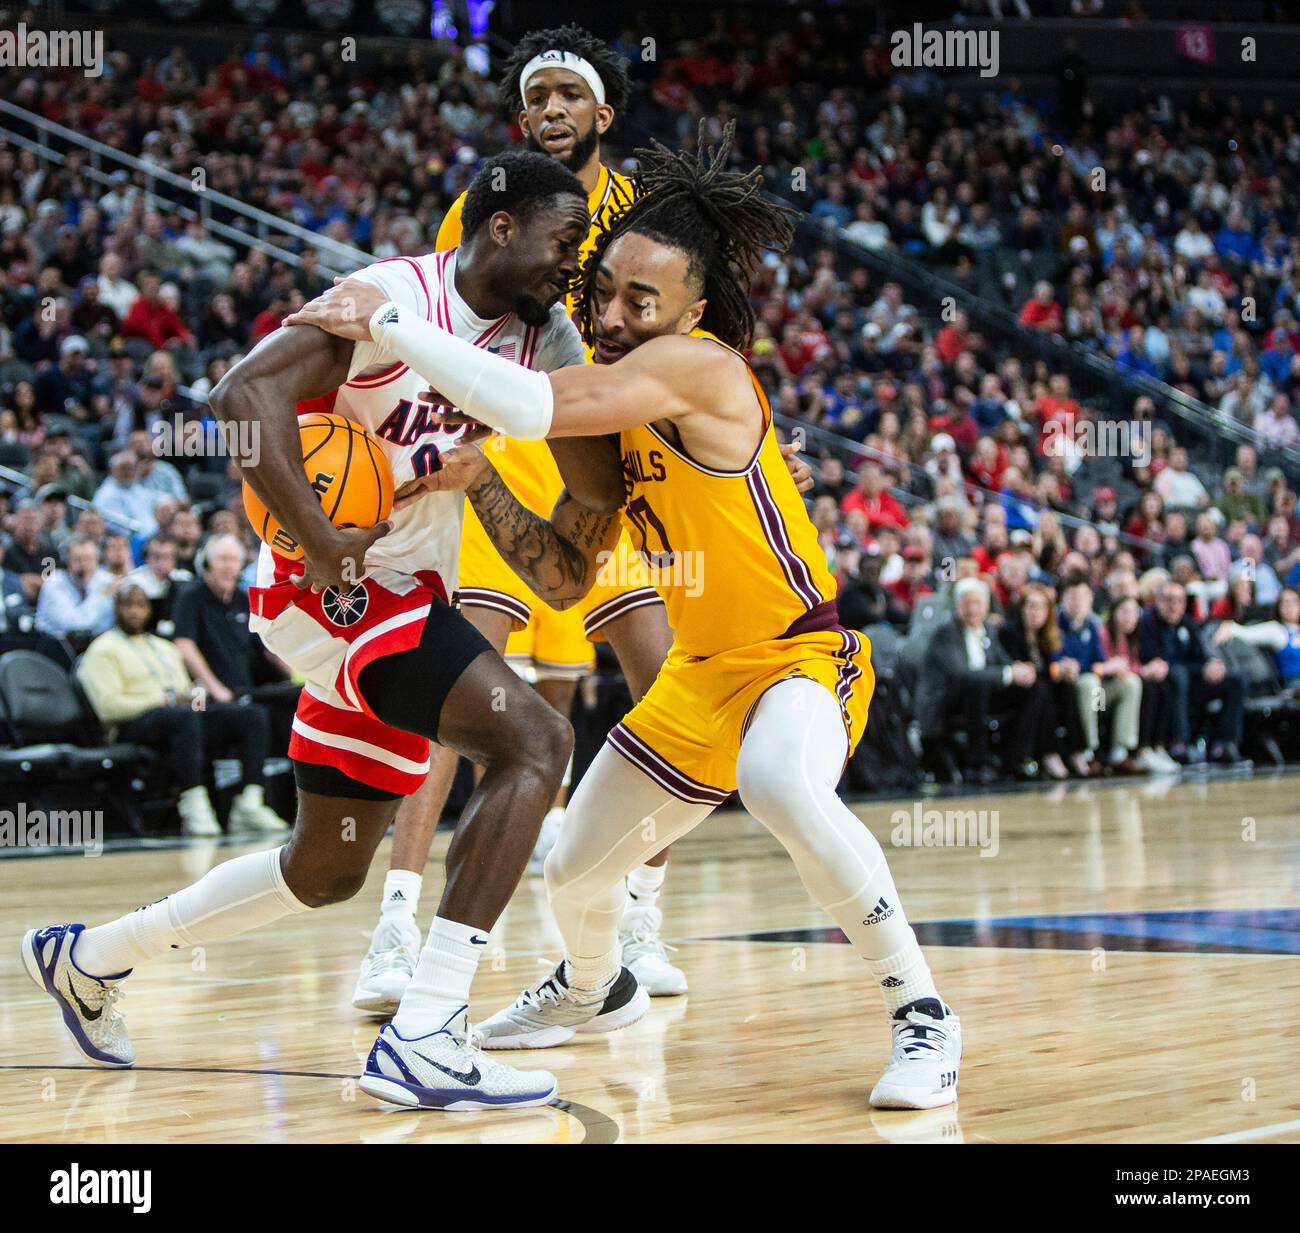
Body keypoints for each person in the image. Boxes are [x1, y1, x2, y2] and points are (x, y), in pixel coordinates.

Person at [291, 125, 962, 1110]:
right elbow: (564, 576)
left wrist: (388, 321)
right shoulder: (616, 410)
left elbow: (524, 403)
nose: (608, 314)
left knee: (778, 780)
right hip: (699, 676)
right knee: (570, 871)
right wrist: (480, 488)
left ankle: (923, 1017)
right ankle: (593, 988)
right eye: (598, 291)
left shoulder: (700, 368)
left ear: (693, 308)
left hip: (797, 658)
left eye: (637, 301)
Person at [21, 152, 597, 1111]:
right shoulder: (387, 295)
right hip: (335, 585)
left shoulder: (541, 341)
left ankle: (89, 958)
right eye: (562, 242)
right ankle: (428, 1031)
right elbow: (239, 402)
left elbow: (568, 550)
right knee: (535, 741)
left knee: (324, 868)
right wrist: (326, 541)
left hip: (397, 592)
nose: (569, 265)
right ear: (501, 226)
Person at [349, 25, 813, 1013]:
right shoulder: (490, 202)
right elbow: (446, 322)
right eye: (536, 97)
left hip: (604, 467)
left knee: (668, 683)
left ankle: (639, 915)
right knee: (454, 705)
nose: (549, 110)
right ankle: (396, 930)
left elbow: (704, 336)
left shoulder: (648, 220)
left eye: (568, 95)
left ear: (605, 113)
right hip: (505, 453)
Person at [77, 584, 281, 836]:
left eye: (140, 606)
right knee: (181, 716)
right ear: (116, 609)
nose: (134, 612)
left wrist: (198, 699)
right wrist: (164, 700)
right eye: (127, 606)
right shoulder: (102, 650)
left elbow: (186, 693)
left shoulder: (165, 647)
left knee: (251, 715)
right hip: (131, 725)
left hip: (179, 718)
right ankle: (194, 807)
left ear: (149, 610)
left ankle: (249, 803)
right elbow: (108, 709)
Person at [919, 576, 1045, 783]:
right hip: (948, 701)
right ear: (957, 606)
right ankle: (976, 763)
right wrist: (1008, 673)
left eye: (977, 603)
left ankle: (1015, 758)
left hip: (984, 696)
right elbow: (961, 675)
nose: (972, 609)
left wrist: (1019, 670)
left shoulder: (989, 629)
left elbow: (1002, 662)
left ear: (986, 606)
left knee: (1034, 688)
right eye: (967, 603)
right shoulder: (945, 633)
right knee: (975, 685)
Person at [1137, 580, 1245, 764]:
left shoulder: (1187, 622)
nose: (1174, 606)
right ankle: (1180, 742)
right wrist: (1197, 668)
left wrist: (1210, 665)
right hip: (1164, 684)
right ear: (1158, 601)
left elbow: (1199, 657)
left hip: (1191, 680)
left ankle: (1225, 743)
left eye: (1179, 601)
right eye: (1169, 600)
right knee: (1178, 674)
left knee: (1235, 680)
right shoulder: (1147, 622)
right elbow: (1154, 661)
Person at [1059, 575, 1142, 774]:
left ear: (1090, 599)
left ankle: (1119, 752)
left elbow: (1099, 662)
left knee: (1130, 683)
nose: (1078, 601)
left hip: (1098, 697)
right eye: (1072, 596)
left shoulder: (1093, 626)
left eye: (1083, 596)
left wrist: (1110, 667)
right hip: (1069, 689)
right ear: (1063, 599)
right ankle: (1089, 751)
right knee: (1090, 682)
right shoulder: (1056, 625)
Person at [998, 583, 1081, 780]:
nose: (1036, 612)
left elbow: (1049, 667)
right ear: (1022, 608)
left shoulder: (1047, 635)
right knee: (1041, 690)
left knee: (1068, 687)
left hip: (1040, 688)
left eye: (1042, 607)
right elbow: (1013, 666)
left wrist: (1065, 668)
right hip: (1012, 690)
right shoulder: (1009, 632)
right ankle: (1042, 755)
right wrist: (1053, 670)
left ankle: (1076, 751)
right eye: (1032, 606)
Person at [1104, 596, 1180, 773]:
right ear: (1113, 614)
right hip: (1098, 697)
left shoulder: (1132, 638)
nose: (1129, 617)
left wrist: (1150, 668)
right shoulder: (1103, 634)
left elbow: (1132, 666)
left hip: (1120, 689)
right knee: (1141, 687)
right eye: (1124, 612)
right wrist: (1141, 672)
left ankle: (1156, 746)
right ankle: (1134, 750)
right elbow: (1105, 666)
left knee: (1161, 687)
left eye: (1133, 613)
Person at [1213, 586, 1300, 690]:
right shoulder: (1276, 630)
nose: (1289, 606)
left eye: (1294, 602)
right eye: (1285, 603)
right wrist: (1228, 626)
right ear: (1278, 607)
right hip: (1295, 684)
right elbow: (1242, 632)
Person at [33, 534, 116, 642]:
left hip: (99, 645)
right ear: (67, 560)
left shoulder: (107, 580)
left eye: (88, 559)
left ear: (97, 560)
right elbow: (76, 626)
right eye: (77, 559)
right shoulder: (54, 583)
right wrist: (102, 593)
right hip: (55, 647)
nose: (83, 565)